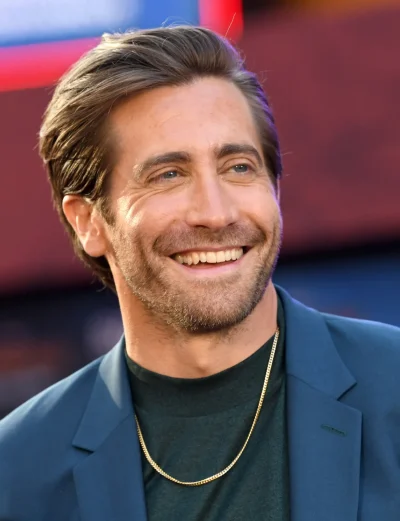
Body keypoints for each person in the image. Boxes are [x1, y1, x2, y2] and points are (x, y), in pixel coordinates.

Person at [0, 26, 399, 521]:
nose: (215, 213)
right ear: (89, 222)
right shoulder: (17, 475)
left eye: (238, 167)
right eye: (168, 175)